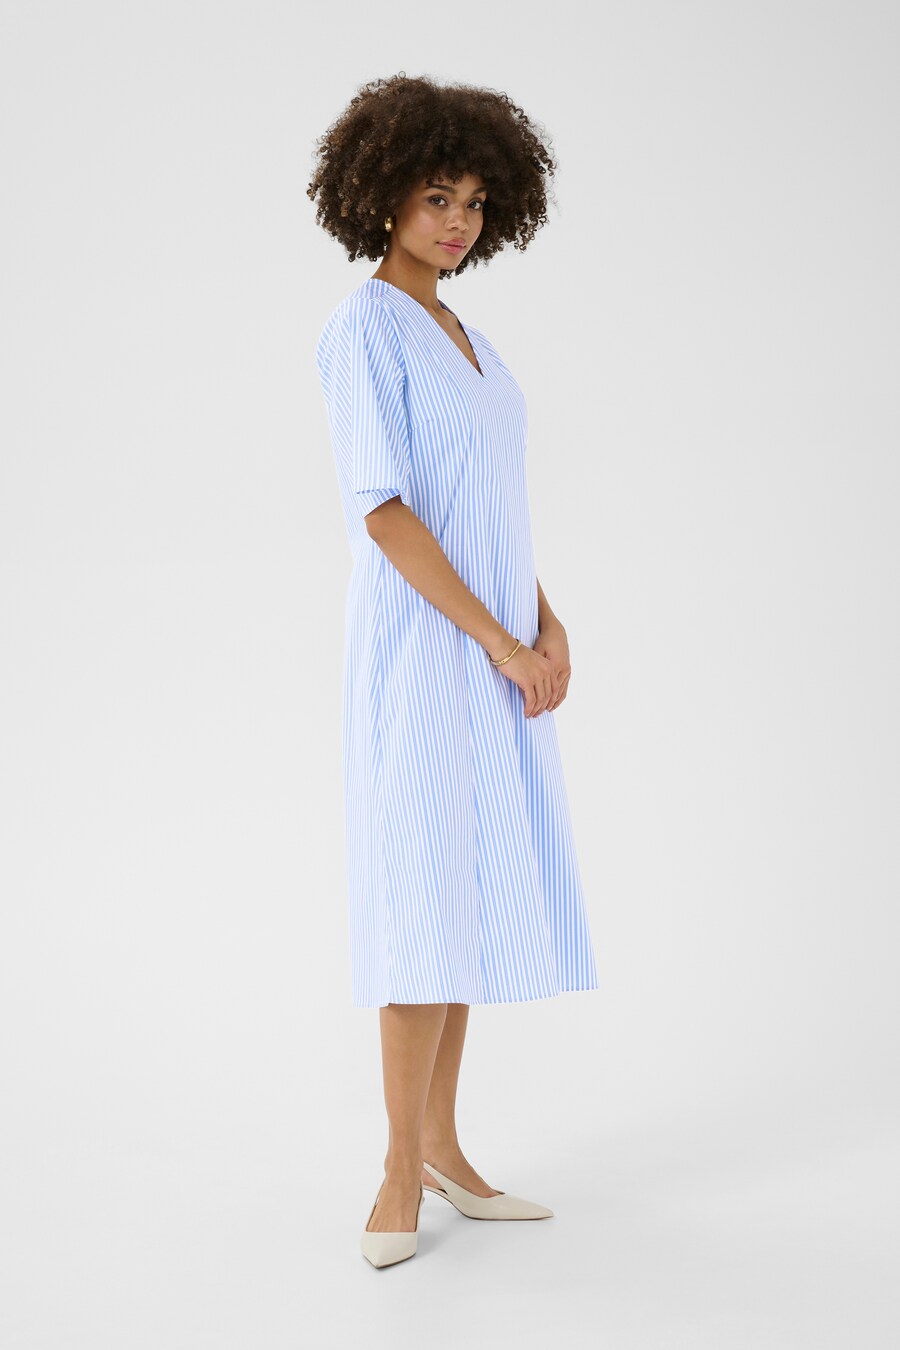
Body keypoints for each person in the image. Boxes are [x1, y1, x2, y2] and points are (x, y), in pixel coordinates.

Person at [309, 73, 599, 1268]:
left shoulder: (474, 343)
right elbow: (385, 512)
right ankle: (395, 1169)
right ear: (382, 194)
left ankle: (443, 1147)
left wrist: (547, 622)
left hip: (489, 647)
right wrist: (497, 638)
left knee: (465, 896)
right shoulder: (364, 328)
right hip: (425, 653)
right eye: (438, 197)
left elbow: (491, 511)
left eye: (476, 202)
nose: (459, 221)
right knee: (419, 900)